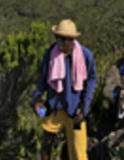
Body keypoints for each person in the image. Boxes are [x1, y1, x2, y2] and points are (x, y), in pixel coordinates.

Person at [31, 19, 97, 160]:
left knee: (79, 155)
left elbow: (92, 79)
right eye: (58, 37)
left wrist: (84, 105)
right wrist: (37, 99)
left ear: (73, 40)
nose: (61, 42)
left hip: (75, 111)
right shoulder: (50, 54)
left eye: (65, 39)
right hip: (54, 108)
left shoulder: (85, 55)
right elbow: (42, 82)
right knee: (45, 149)